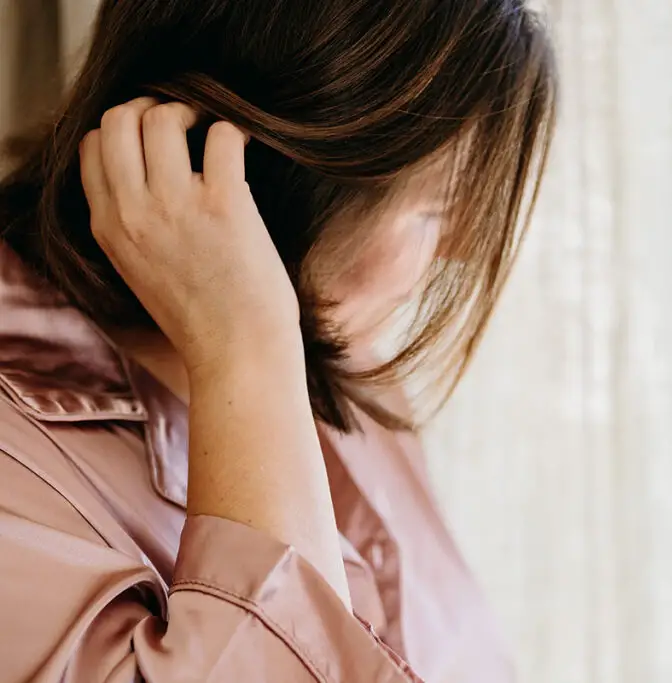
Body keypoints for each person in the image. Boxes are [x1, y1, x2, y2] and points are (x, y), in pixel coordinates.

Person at [0, 1, 556, 681]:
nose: (463, 250)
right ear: (255, 173)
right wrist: (244, 356)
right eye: (434, 208)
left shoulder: (350, 365)